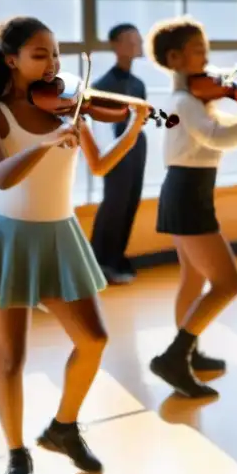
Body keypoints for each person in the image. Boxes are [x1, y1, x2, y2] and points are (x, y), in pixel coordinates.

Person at [0, 17, 150, 474]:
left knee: (94, 340)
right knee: (11, 357)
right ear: (10, 60)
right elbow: (2, 175)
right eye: (41, 55)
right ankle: (16, 455)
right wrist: (49, 142)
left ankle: (63, 427)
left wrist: (133, 128)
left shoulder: (68, 108)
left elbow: (99, 165)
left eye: (55, 53)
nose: (54, 63)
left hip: (60, 234)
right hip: (7, 238)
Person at [146, 15, 237, 399]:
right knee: (228, 283)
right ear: (175, 57)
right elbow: (218, 137)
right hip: (187, 194)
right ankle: (174, 357)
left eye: (206, 49)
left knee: (193, 280)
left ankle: (189, 352)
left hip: (186, 190)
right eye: (198, 50)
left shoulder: (194, 98)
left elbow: (215, 126)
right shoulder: (184, 101)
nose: (206, 57)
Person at [90, 22, 147, 285]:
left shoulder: (138, 84)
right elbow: (100, 126)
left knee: (130, 202)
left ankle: (115, 258)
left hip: (137, 147)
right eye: (129, 40)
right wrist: (108, 153)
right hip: (114, 149)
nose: (136, 44)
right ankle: (99, 261)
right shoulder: (103, 84)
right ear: (115, 46)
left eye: (138, 39)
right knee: (114, 203)